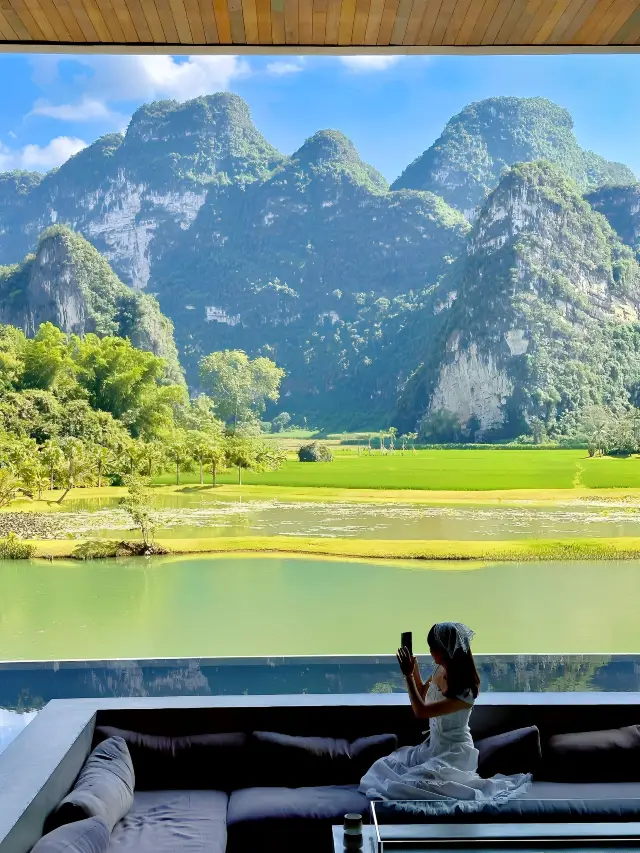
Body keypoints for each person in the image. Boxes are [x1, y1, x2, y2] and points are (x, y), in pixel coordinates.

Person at [359, 622, 531, 815]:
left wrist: (408, 676)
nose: (430, 651)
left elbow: (421, 711)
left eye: (433, 647)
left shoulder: (465, 691)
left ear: (445, 649)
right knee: (383, 767)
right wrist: (412, 670)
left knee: (412, 784)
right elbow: (424, 694)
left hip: (454, 753)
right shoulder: (440, 670)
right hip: (432, 747)